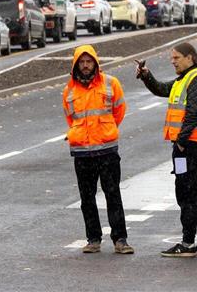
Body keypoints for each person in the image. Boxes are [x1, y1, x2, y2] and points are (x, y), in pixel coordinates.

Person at [135, 42, 197, 258]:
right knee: (191, 192)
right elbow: (162, 89)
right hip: (187, 145)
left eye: (176, 58)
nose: (173, 61)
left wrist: (180, 140)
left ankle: (188, 243)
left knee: (186, 193)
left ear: (190, 58)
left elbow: (194, 112)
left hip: (191, 145)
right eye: (172, 58)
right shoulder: (185, 79)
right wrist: (146, 75)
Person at [62, 44, 134, 254]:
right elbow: (70, 117)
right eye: (82, 62)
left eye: (89, 61)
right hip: (82, 152)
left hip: (107, 150)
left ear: (95, 62)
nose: (85, 66)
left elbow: (119, 111)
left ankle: (120, 239)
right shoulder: (69, 90)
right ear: (76, 64)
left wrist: (106, 130)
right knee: (87, 198)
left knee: (113, 194)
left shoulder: (111, 84)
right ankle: (93, 239)